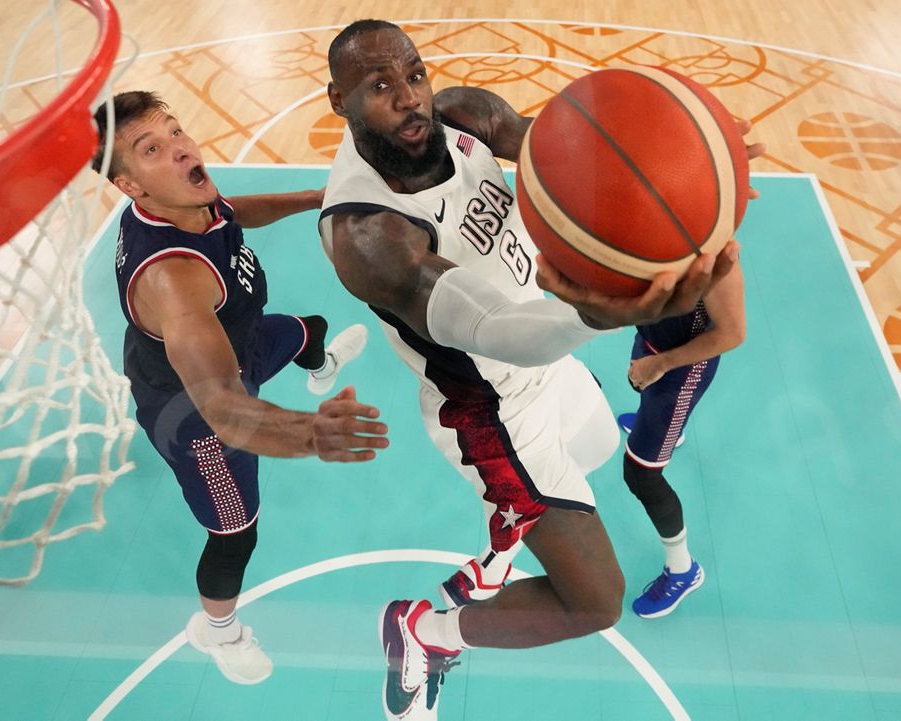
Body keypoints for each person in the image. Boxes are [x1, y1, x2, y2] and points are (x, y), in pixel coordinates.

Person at [318, 20, 760, 719]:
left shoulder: (461, 114)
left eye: (413, 73)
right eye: (379, 87)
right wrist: (599, 316)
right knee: (595, 601)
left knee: (598, 446)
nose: (409, 98)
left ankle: (515, 522)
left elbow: (573, 152)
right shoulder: (369, 235)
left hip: (550, 361)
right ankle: (423, 633)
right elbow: (495, 330)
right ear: (338, 100)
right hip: (491, 409)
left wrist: (696, 161)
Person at [92, 90, 385, 686]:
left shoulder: (185, 201)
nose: (179, 148)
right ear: (129, 185)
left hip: (239, 338)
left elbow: (234, 210)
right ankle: (219, 632)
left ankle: (319, 366)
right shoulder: (174, 279)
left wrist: (316, 199)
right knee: (234, 533)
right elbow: (224, 406)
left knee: (311, 330)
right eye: (153, 148)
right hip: (198, 414)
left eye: (175, 132)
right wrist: (312, 434)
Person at [616, 264, 746, 618]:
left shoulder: (717, 256)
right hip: (653, 342)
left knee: (640, 474)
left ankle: (682, 569)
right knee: (641, 386)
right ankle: (665, 431)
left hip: (681, 369)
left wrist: (661, 365)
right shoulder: (651, 226)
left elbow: (732, 333)